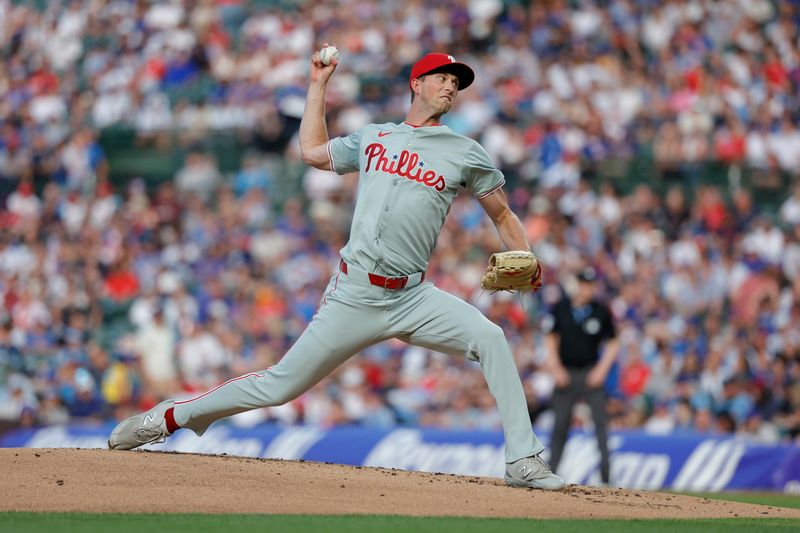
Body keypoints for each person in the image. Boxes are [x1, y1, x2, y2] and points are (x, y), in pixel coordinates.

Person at [108, 47, 565, 491]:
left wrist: (527, 257)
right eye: (443, 77)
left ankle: (523, 459)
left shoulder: (464, 151)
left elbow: (503, 215)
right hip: (355, 293)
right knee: (279, 387)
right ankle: (168, 417)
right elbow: (310, 151)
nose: (451, 85)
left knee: (491, 338)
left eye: (457, 82)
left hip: (413, 297)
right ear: (417, 84)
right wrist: (317, 85)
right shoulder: (374, 137)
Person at [544, 267, 619, 486]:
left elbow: (613, 341)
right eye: (585, 284)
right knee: (559, 427)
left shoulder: (600, 310)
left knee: (600, 428)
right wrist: (556, 369)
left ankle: (607, 480)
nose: (588, 289)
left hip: (590, 372)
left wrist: (601, 370)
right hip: (566, 372)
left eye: (591, 284)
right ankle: (550, 475)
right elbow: (550, 338)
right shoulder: (561, 308)